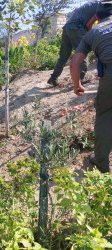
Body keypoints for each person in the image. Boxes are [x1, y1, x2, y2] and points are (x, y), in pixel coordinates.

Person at [70, 1, 112, 173]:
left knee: (104, 115)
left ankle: (101, 163)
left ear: (96, 17)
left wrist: (77, 85)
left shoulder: (92, 33)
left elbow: (74, 64)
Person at [47, 1, 101, 86]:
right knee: (83, 52)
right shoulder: (103, 6)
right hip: (77, 28)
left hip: (67, 27)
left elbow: (76, 10)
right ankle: (81, 79)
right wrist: (90, 36)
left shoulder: (91, 4)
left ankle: (53, 78)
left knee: (64, 56)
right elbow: (89, 23)